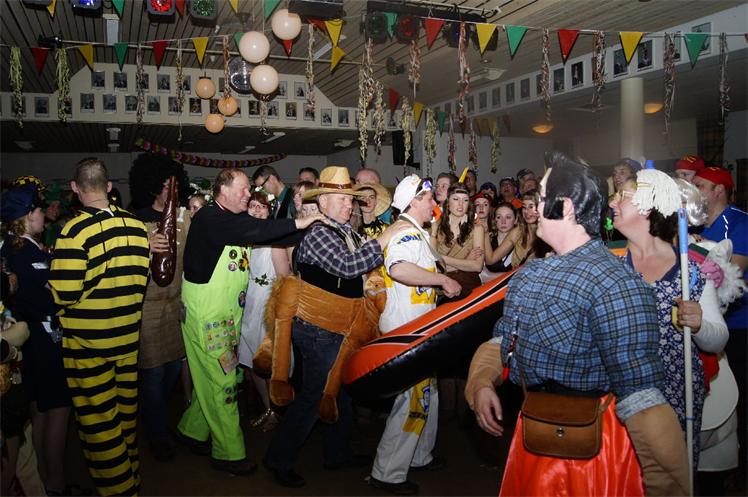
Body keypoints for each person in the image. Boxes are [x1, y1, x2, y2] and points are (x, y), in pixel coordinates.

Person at [465, 151, 689, 496]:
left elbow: (643, 399)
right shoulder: (528, 275)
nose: (532, 208)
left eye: (542, 198)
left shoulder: (617, 284)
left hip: (592, 457)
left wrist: (669, 488)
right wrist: (481, 382)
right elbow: (503, 342)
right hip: (532, 438)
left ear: (566, 207)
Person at [176, 168, 322, 477]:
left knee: (213, 378)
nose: (248, 194)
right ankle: (229, 454)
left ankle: (191, 431)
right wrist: (300, 222)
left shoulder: (232, 220)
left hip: (226, 318)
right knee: (224, 382)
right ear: (224, 191)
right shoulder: (210, 218)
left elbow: (270, 233)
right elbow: (256, 229)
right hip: (209, 319)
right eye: (243, 189)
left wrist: (311, 229)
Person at [263, 166, 394, 488]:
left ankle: (337, 453)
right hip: (319, 328)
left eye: (350, 199)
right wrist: (384, 240)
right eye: (341, 199)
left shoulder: (344, 231)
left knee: (340, 391)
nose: (349, 205)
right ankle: (278, 458)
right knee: (315, 394)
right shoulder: (320, 232)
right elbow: (348, 267)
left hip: (338, 327)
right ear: (322, 202)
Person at [610, 170, 728, 463]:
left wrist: (699, 325)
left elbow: (718, 340)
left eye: (622, 196)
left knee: (670, 477)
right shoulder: (610, 266)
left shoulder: (690, 271)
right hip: (617, 399)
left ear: (648, 207)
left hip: (676, 395)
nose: (612, 202)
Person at [49, 158, 150, 497]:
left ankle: (119, 491)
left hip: (88, 347)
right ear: (108, 187)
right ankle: (131, 480)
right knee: (124, 421)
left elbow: (63, 294)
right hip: (127, 342)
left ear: (75, 188)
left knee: (100, 428)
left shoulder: (73, 231)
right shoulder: (137, 226)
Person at [368, 175, 461, 495]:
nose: (434, 203)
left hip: (419, 329)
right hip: (406, 331)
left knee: (427, 394)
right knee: (412, 401)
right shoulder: (406, 233)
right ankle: (387, 472)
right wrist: (443, 281)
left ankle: (420, 455)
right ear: (415, 201)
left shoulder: (415, 231)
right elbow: (399, 269)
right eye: (429, 198)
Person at [1, 185, 71, 496]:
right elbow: (47, 298)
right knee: (58, 408)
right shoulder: (23, 252)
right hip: (42, 338)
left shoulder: (18, 247)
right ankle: (55, 482)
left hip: (31, 339)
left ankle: (43, 479)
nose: (45, 214)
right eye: (40, 210)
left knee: (39, 411)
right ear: (27, 216)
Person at [130, 153, 191, 462]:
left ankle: (154, 416)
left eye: (175, 185)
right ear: (153, 186)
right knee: (153, 375)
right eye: (167, 186)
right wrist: (144, 246)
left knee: (171, 372)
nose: (172, 191)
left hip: (175, 305)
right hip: (149, 308)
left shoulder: (184, 218)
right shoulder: (136, 220)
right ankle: (157, 435)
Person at [692, 166, 747, 476]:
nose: (694, 188)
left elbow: (732, 275)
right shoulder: (695, 223)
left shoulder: (739, 223)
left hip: (739, 324)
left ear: (719, 190)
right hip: (707, 324)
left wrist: (699, 254)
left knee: (739, 396)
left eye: (700, 184)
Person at [238, 189, 291, 433]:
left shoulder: (275, 242)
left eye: (262, 206)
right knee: (251, 362)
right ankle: (267, 408)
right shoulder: (241, 239)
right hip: (246, 305)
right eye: (252, 206)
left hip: (266, 307)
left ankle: (277, 411)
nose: (257, 210)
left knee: (268, 362)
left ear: (269, 211)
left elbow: (284, 280)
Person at [431, 183, 484, 300]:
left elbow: (477, 266)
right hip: (440, 286)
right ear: (448, 202)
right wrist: (466, 262)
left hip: (467, 284)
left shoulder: (476, 228)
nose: (460, 204)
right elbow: (432, 264)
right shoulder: (436, 226)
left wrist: (442, 258)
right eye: (456, 199)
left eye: (465, 200)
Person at [485, 190, 541, 270]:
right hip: (517, 276)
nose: (526, 211)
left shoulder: (548, 235)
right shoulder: (519, 231)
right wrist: (485, 232)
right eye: (524, 207)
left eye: (531, 207)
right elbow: (490, 260)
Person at [481, 202, 517, 283]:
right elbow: (479, 273)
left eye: (508, 217)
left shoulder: (520, 243)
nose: (503, 221)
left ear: (515, 220)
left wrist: (489, 276)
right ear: (494, 220)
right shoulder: (487, 240)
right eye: (499, 217)